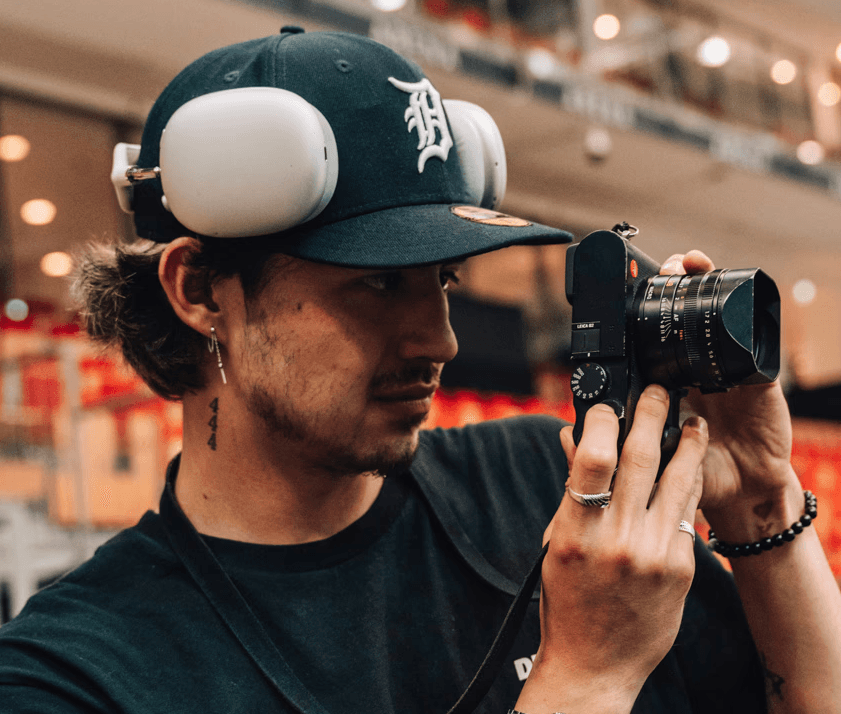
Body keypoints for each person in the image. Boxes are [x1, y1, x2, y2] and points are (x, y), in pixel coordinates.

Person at [1, 27, 839, 714]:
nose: (439, 339)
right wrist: (585, 679)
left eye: (442, 281)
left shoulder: (555, 482)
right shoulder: (76, 673)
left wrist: (762, 502)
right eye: (374, 284)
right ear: (198, 290)